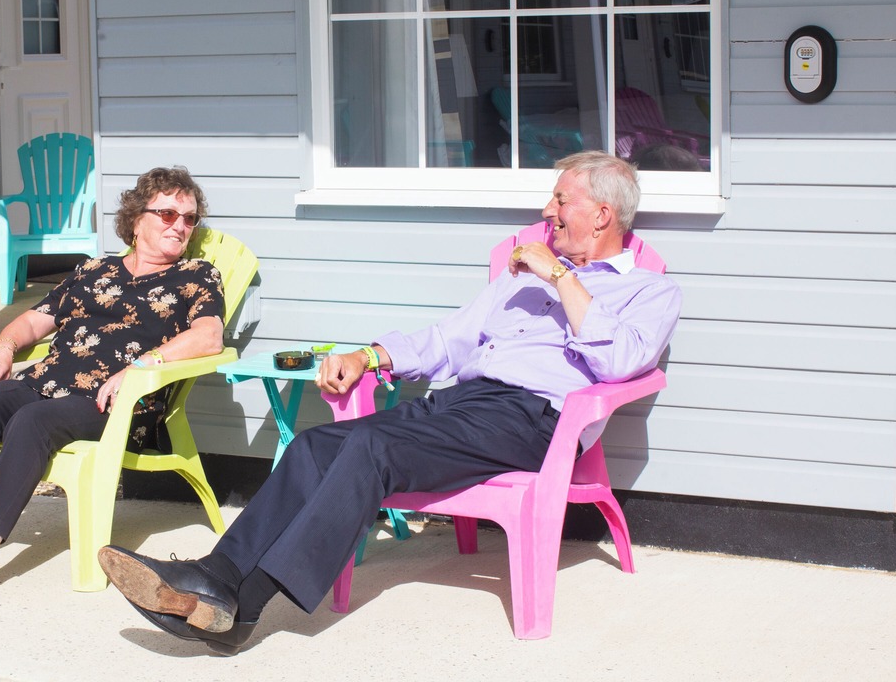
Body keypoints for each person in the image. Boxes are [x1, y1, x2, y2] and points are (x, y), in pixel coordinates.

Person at [97, 151, 683, 654]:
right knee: (314, 446)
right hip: (463, 403)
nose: (547, 212)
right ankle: (217, 576)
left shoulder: (648, 290)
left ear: (601, 215)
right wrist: (369, 356)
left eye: (560, 200)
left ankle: (239, 605)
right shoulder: (518, 282)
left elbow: (620, 362)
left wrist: (558, 276)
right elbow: (448, 340)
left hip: (533, 420)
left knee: (373, 447)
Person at [0, 166, 226, 616]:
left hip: (116, 402)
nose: (179, 225)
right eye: (167, 214)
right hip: (45, 382)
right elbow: (34, 321)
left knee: (33, 421)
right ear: (136, 219)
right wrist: (3, 350)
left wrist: (141, 366)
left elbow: (209, 337)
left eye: (189, 218)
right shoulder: (93, 270)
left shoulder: (196, 275)